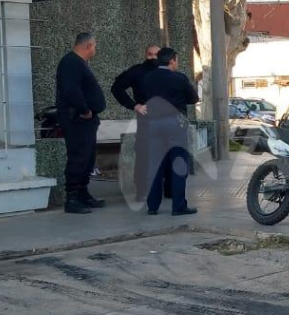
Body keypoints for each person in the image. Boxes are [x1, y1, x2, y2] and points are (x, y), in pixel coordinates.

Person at [140, 47, 200, 216]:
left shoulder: (148, 78)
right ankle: (178, 206)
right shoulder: (179, 78)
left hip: (154, 124)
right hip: (175, 124)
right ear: (172, 60)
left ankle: (152, 206)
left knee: (155, 165)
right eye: (177, 60)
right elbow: (193, 98)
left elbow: (144, 97)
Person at [55, 32, 106, 214]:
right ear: (89, 46)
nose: (95, 49)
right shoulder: (71, 62)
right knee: (78, 156)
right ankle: (72, 197)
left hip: (86, 121)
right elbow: (71, 90)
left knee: (88, 157)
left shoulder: (79, 63)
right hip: (77, 119)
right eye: (94, 46)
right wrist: (84, 110)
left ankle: (83, 193)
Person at [110, 44, 160, 200]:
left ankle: (166, 188)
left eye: (156, 54)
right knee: (144, 154)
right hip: (146, 118)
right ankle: (142, 190)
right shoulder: (137, 71)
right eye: (150, 54)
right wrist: (134, 105)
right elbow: (117, 88)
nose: (153, 57)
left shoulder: (166, 71)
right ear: (145, 55)